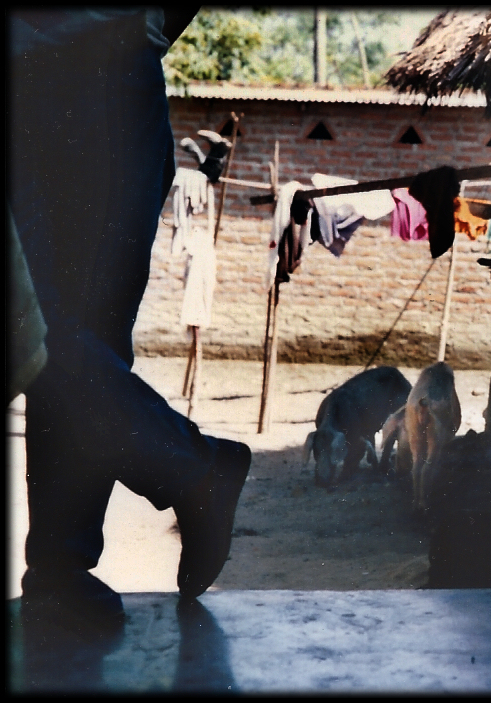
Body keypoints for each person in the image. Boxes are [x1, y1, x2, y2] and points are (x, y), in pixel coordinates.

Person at [8, 8, 250, 635]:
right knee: (38, 325)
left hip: (103, 74)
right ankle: (190, 470)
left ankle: (63, 568)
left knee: (67, 329)